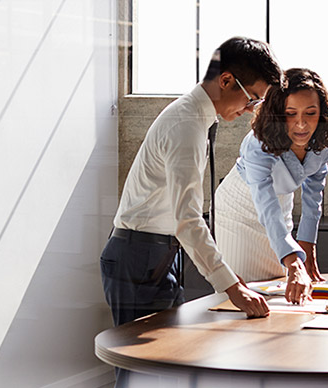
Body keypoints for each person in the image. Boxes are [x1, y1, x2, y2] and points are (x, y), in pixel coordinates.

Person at [100, 36, 281, 329]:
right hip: (139, 256)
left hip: (156, 253)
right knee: (140, 368)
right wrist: (233, 288)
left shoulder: (196, 119)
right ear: (225, 80)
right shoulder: (186, 126)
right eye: (253, 98)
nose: (251, 109)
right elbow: (188, 219)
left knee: (162, 366)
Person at [215, 68, 328, 304]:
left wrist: (307, 244)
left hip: (281, 205)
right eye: (291, 113)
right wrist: (293, 259)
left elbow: (315, 186)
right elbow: (264, 202)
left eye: (310, 113)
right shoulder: (258, 142)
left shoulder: (325, 134)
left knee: (281, 293)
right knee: (244, 298)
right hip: (240, 209)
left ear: (322, 112)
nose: (301, 124)